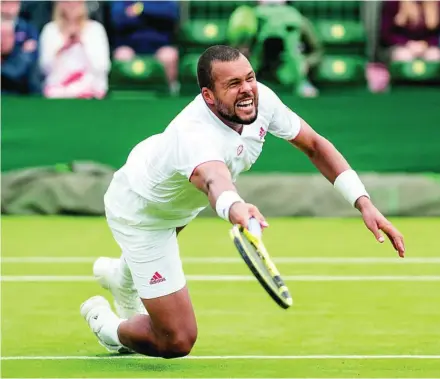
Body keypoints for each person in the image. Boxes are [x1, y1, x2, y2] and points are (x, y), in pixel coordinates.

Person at [80, 45, 406, 358]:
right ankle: (106, 326)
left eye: (249, 77)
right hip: (140, 210)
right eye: (233, 83)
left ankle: (121, 275)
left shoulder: (259, 99)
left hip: (173, 193)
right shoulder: (194, 136)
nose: (247, 89)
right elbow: (213, 180)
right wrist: (237, 207)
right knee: (177, 340)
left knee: (178, 214)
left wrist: (363, 202)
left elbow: (315, 146)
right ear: (208, 95)